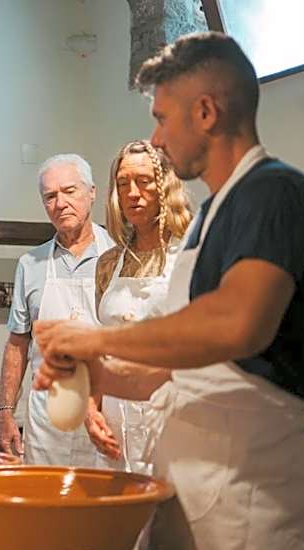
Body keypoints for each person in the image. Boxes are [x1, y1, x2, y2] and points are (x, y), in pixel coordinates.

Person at [33, 32, 304, 550]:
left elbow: (237, 324)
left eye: (162, 117)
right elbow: (170, 371)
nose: (156, 138)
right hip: (187, 479)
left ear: (205, 112)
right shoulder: (210, 221)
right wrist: (94, 377)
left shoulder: (275, 193)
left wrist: (98, 340)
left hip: (252, 485)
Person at [0, 154, 115, 465]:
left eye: (69, 191)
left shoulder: (119, 257)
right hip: (47, 417)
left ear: (92, 192)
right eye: (50, 196)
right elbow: (18, 343)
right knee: (45, 493)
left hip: (107, 411)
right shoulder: (30, 264)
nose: (60, 203)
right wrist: (5, 411)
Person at [90, 140, 192, 473]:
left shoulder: (192, 257)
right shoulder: (108, 264)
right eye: (123, 184)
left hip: (174, 419)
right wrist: (91, 409)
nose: (133, 193)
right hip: (115, 425)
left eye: (144, 181)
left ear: (165, 186)